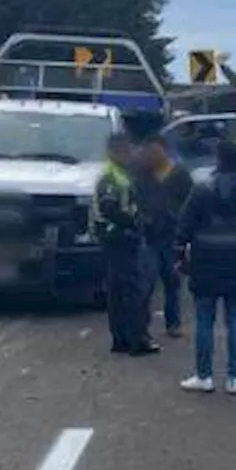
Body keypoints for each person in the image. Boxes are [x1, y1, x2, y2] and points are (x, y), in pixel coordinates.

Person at [176, 140, 236, 395]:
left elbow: (185, 224)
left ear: (218, 159)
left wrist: (179, 254)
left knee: (205, 320)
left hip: (205, 260)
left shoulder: (202, 188)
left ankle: (204, 376)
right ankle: (235, 378)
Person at [93, 133, 160, 357]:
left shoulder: (120, 174)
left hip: (118, 238)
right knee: (132, 289)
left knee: (118, 290)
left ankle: (121, 338)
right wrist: (135, 222)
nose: (129, 154)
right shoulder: (111, 177)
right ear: (113, 151)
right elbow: (110, 209)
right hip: (120, 238)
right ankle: (137, 339)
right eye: (124, 150)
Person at [135, 134, 194, 338]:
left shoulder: (179, 173)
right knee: (146, 281)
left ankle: (173, 323)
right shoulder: (141, 174)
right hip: (149, 236)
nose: (150, 155)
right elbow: (135, 199)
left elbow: (189, 204)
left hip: (172, 236)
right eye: (148, 151)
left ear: (164, 150)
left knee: (172, 281)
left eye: (154, 151)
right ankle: (142, 325)